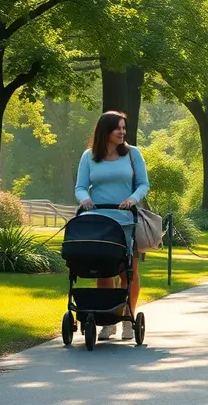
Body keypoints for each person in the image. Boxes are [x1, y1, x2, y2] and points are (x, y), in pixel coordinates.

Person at [75, 111, 150, 341]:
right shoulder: (89, 156)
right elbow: (80, 186)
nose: (122, 132)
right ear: (105, 131)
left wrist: (133, 200)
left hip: (126, 220)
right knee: (103, 270)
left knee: (129, 271)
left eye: (124, 128)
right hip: (100, 221)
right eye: (118, 128)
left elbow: (143, 184)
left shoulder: (132, 154)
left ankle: (128, 315)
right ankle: (107, 321)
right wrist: (84, 199)